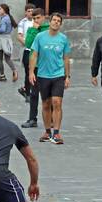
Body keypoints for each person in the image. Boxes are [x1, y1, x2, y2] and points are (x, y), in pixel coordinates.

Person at [29, 13, 71, 145]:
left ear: (60, 24)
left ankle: (56, 133)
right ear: (50, 21)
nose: (56, 22)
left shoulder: (63, 39)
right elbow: (34, 55)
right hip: (42, 75)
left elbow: (66, 58)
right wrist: (31, 72)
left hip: (58, 75)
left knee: (57, 102)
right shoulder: (40, 37)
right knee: (46, 104)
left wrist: (67, 76)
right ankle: (47, 131)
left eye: (59, 21)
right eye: (54, 20)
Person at [21, 9, 49, 128]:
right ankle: (32, 119)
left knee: (48, 94)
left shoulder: (48, 29)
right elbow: (28, 44)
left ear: (43, 17)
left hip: (47, 66)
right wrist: (33, 29)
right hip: (35, 66)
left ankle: (50, 119)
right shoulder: (32, 29)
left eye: (38, 18)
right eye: (34, 19)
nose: (36, 20)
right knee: (34, 93)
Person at [0, 4, 18, 82]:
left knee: (0, 59)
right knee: (7, 59)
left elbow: (2, 30)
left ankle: (2, 75)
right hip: (8, 39)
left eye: (0, 9)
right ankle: (14, 70)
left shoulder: (4, 19)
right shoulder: (8, 18)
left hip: (1, 40)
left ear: (4, 10)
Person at [16, 4, 35, 101]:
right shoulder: (22, 23)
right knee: (28, 72)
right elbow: (19, 36)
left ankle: (27, 89)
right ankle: (28, 94)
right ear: (25, 12)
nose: (30, 13)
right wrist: (28, 44)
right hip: (27, 50)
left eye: (32, 11)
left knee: (36, 72)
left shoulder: (37, 22)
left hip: (36, 51)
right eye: (28, 11)